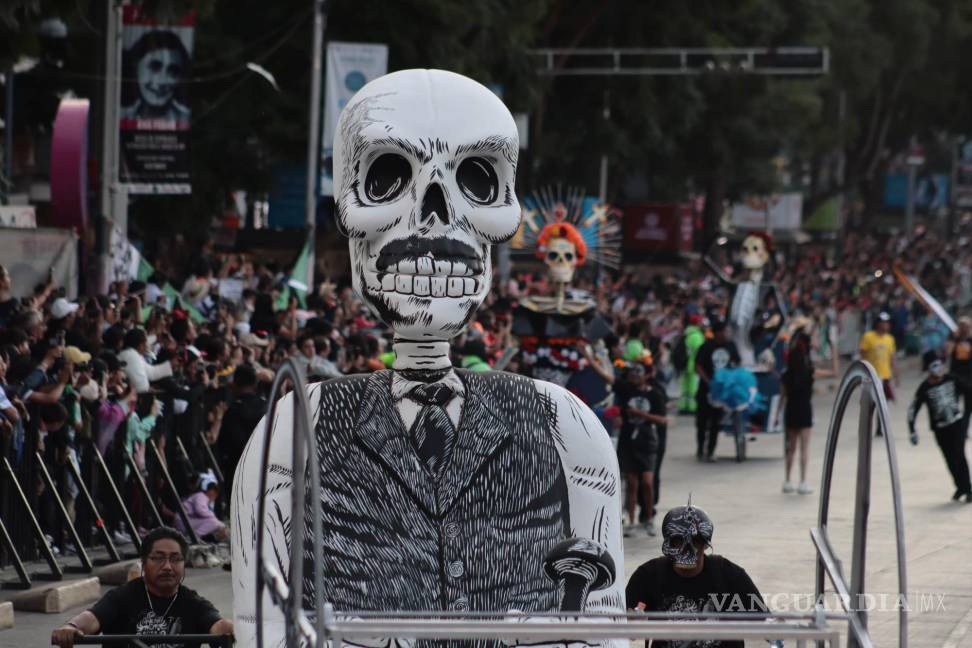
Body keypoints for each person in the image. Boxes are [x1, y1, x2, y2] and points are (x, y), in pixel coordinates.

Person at [50, 527, 232, 648]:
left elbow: (217, 624)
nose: (168, 566)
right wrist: (71, 626)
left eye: (176, 559)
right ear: (143, 563)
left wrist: (232, 629)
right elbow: (92, 618)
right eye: (158, 558)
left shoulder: (193, 603)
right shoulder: (121, 597)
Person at [625, 502, 769, 648]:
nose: (687, 549)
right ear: (669, 543)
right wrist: (632, 622)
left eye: (696, 540)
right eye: (679, 540)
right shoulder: (649, 575)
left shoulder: (728, 574)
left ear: (705, 544)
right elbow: (620, 622)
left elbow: (764, 619)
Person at [907, 350, 972, 502]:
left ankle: (968, 488)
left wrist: (966, 411)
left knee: (959, 455)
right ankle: (960, 487)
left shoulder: (952, 379)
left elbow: (968, 390)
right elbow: (913, 409)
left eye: (940, 365)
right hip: (940, 429)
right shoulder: (924, 387)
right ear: (929, 368)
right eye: (935, 366)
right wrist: (912, 430)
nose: (939, 369)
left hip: (956, 424)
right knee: (949, 459)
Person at [615, 360, 667, 536]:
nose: (634, 376)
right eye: (633, 372)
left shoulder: (656, 395)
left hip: (648, 442)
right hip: (628, 442)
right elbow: (608, 378)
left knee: (647, 482)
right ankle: (630, 522)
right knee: (631, 483)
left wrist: (640, 414)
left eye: (639, 372)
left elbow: (663, 420)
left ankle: (649, 518)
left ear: (647, 375)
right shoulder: (626, 390)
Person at [777, 331, 833, 495]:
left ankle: (787, 480)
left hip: (790, 409)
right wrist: (834, 349)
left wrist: (776, 416)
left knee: (791, 447)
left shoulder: (786, 374)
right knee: (804, 448)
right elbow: (834, 371)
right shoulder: (810, 370)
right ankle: (802, 481)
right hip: (805, 409)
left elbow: (782, 396)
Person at [121, 30, 191, 123]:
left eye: (173, 72)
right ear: (136, 68)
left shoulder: (186, 120)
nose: (162, 81)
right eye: (154, 67)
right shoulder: (120, 117)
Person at [695, 319, 740, 462]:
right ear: (717, 333)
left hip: (721, 392)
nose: (726, 334)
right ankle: (700, 448)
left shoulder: (730, 346)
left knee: (716, 422)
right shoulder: (706, 347)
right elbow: (698, 366)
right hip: (705, 390)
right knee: (702, 421)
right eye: (724, 331)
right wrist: (708, 381)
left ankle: (711, 450)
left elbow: (737, 362)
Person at [175, 473, 228, 542]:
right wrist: (218, 521)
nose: (214, 495)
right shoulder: (201, 496)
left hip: (187, 521)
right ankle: (191, 539)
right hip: (182, 522)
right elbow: (200, 510)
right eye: (213, 492)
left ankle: (194, 538)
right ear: (209, 491)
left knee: (215, 523)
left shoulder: (202, 498)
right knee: (214, 522)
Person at [859, 311, 898, 402]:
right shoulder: (868, 337)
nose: (886, 325)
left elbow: (892, 358)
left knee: (883, 404)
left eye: (887, 323)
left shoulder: (890, 339)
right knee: (870, 402)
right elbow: (863, 356)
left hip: (885, 376)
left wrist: (896, 374)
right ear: (878, 323)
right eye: (884, 323)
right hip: (872, 376)